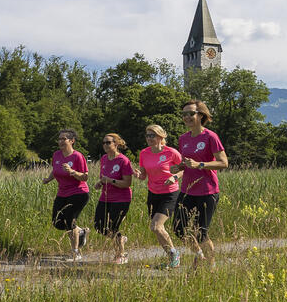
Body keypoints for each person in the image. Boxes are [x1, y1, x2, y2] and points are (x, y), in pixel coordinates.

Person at [171, 99, 229, 269]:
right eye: (184, 114)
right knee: (178, 229)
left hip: (207, 190)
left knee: (201, 232)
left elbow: (223, 162)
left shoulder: (210, 136)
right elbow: (186, 162)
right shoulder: (183, 138)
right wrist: (179, 167)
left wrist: (200, 165)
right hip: (187, 190)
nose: (187, 117)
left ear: (201, 115)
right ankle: (199, 255)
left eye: (191, 113)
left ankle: (211, 266)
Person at [135, 124, 184, 268]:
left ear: (161, 137)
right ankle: (172, 258)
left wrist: (174, 177)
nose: (149, 138)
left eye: (152, 135)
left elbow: (183, 169)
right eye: (147, 135)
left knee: (156, 226)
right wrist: (138, 175)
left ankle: (175, 255)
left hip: (170, 193)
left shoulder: (171, 152)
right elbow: (143, 175)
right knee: (157, 229)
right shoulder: (144, 153)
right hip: (153, 193)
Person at [42, 128, 89, 260]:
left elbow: (85, 177)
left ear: (72, 141)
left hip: (78, 193)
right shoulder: (56, 155)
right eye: (59, 139)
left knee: (69, 221)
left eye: (64, 139)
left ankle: (75, 252)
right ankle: (80, 231)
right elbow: (55, 170)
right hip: (62, 193)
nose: (61, 141)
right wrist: (48, 179)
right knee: (57, 222)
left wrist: (73, 172)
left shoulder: (77, 156)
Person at [91, 133, 133, 264]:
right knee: (99, 225)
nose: (105, 145)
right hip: (105, 197)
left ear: (116, 144)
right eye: (104, 143)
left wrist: (110, 180)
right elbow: (104, 178)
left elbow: (127, 183)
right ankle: (121, 239)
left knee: (113, 227)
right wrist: (100, 183)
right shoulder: (104, 158)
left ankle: (121, 254)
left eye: (108, 142)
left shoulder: (123, 161)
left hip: (121, 198)